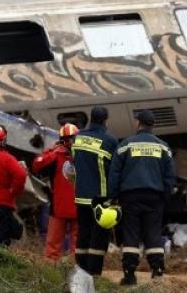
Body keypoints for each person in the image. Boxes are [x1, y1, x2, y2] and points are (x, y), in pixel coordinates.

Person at [108, 110, 176, 286]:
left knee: (131, 233)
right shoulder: (163, 147)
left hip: (130, 196)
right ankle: (158, 273)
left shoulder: (125, 145)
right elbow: (170, 175)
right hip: (155, 196)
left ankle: (130, 274)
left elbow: (114, 173)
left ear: (138, 123)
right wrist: (165, 196)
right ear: (152, 125)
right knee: (153, 233)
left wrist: (113, 196)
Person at [71, 106, 118, 276]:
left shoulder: (78, 138)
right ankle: (94, 273)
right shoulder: (110, 141)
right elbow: (115, 170)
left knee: (83, 234)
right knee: (99, 236)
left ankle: (80, 270)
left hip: (81, 197)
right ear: (106, 120)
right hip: (100, 198)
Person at [31, 123, 79, 262]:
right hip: (79, 206)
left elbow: (36, 164)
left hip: (59, 207)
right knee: (77, 248)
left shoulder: (55, 155)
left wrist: (50, 149)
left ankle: (52, 274)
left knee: (53, 247)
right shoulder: (85, 155)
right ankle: (76, 272)